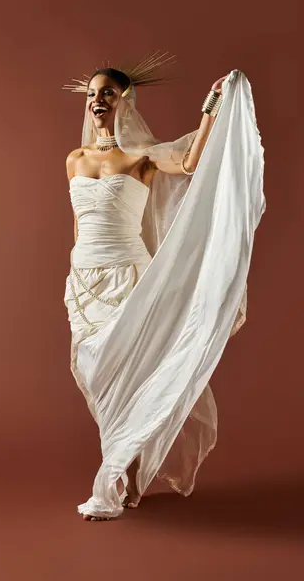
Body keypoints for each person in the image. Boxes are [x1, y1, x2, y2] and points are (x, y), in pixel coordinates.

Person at [63, 54, 265, 521]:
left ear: (124, 101)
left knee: (127, 370)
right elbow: (77, 226)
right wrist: (73, 273)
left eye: (107, 93)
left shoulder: (141, 157)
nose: (98, 101)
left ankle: (115, 478)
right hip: (83, 280)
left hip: (128, 275)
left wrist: (212, 108)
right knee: (97, 376)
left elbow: (191, 163)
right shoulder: (73, 160)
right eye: (93, 94)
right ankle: (126, 466)